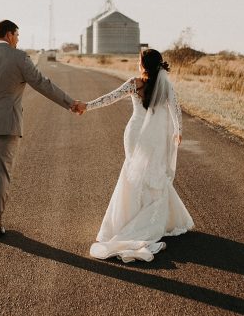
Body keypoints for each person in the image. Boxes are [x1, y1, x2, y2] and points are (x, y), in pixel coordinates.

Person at [0, 20, 86, 239]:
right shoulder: (19, 58)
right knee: (1, 172)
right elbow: (43, 84)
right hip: (8, 123)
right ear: (10, 35)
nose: (18, 40)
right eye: (18, 36)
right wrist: (70, 103)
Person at [81, 48, 194, 262]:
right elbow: (176, 109)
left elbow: (109, 98)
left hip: (134, 134)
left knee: (133, 174)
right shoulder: (165, 85)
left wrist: (87, 106)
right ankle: (147, 218)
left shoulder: (134, 83)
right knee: (153, 174)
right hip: (155, 138)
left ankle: (128, 218)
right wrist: (178, 132)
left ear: (143, 65)